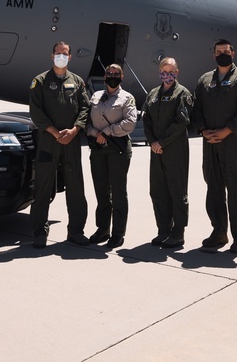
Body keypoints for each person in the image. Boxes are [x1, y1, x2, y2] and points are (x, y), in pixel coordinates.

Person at [191, 39, 237, 253]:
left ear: (233, 53)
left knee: (236, 190)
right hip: (210, 143)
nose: (222, 54)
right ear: (213, 55)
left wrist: (226, 131)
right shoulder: (204, 80)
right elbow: (197, 108)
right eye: (218, 52)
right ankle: (219, 232)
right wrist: (203, 131)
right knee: (214, 189)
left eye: (226, 51)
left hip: (233, 143)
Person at [28, 41, 90, 248]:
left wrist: (74, 130)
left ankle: (76, 231)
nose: (61, 56)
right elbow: (36, 112)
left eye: (64, 54)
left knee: (75, 188)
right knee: (43, 188)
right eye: (58, 53)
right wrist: (55, 132)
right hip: (48, 141)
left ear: (70, 57)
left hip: (71, 142)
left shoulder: (78, 82)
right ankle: (39, 232)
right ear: (52, 55)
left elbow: (85, 108)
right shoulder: (40, 81)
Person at [142, 57, 194, 249]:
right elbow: (146, 119)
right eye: (164, 72)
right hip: (156, 151)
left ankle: (178, 232)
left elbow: (182, 122)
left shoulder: (182, 94)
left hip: (175, 151)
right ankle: (163, 229)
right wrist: (152, 142)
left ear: (177, 72)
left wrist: (161, 142)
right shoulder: (153, 94)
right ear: (159, 72)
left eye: (171, 72)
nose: (167, 75)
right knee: (158, 191)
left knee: (177, 191)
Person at [86, 63, 138, 248]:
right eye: (110, 73)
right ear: (105, 76)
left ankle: (117, 234)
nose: (113, 76)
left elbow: (130, 122)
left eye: (116, 73)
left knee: (118, 192)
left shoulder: (127, 98)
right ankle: (102, 230)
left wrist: (106, 132)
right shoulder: (96, 96)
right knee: (101, 192)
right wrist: (94, 134)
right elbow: (87, 121)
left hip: (118, 149)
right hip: (98, 149)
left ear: (121, 77)